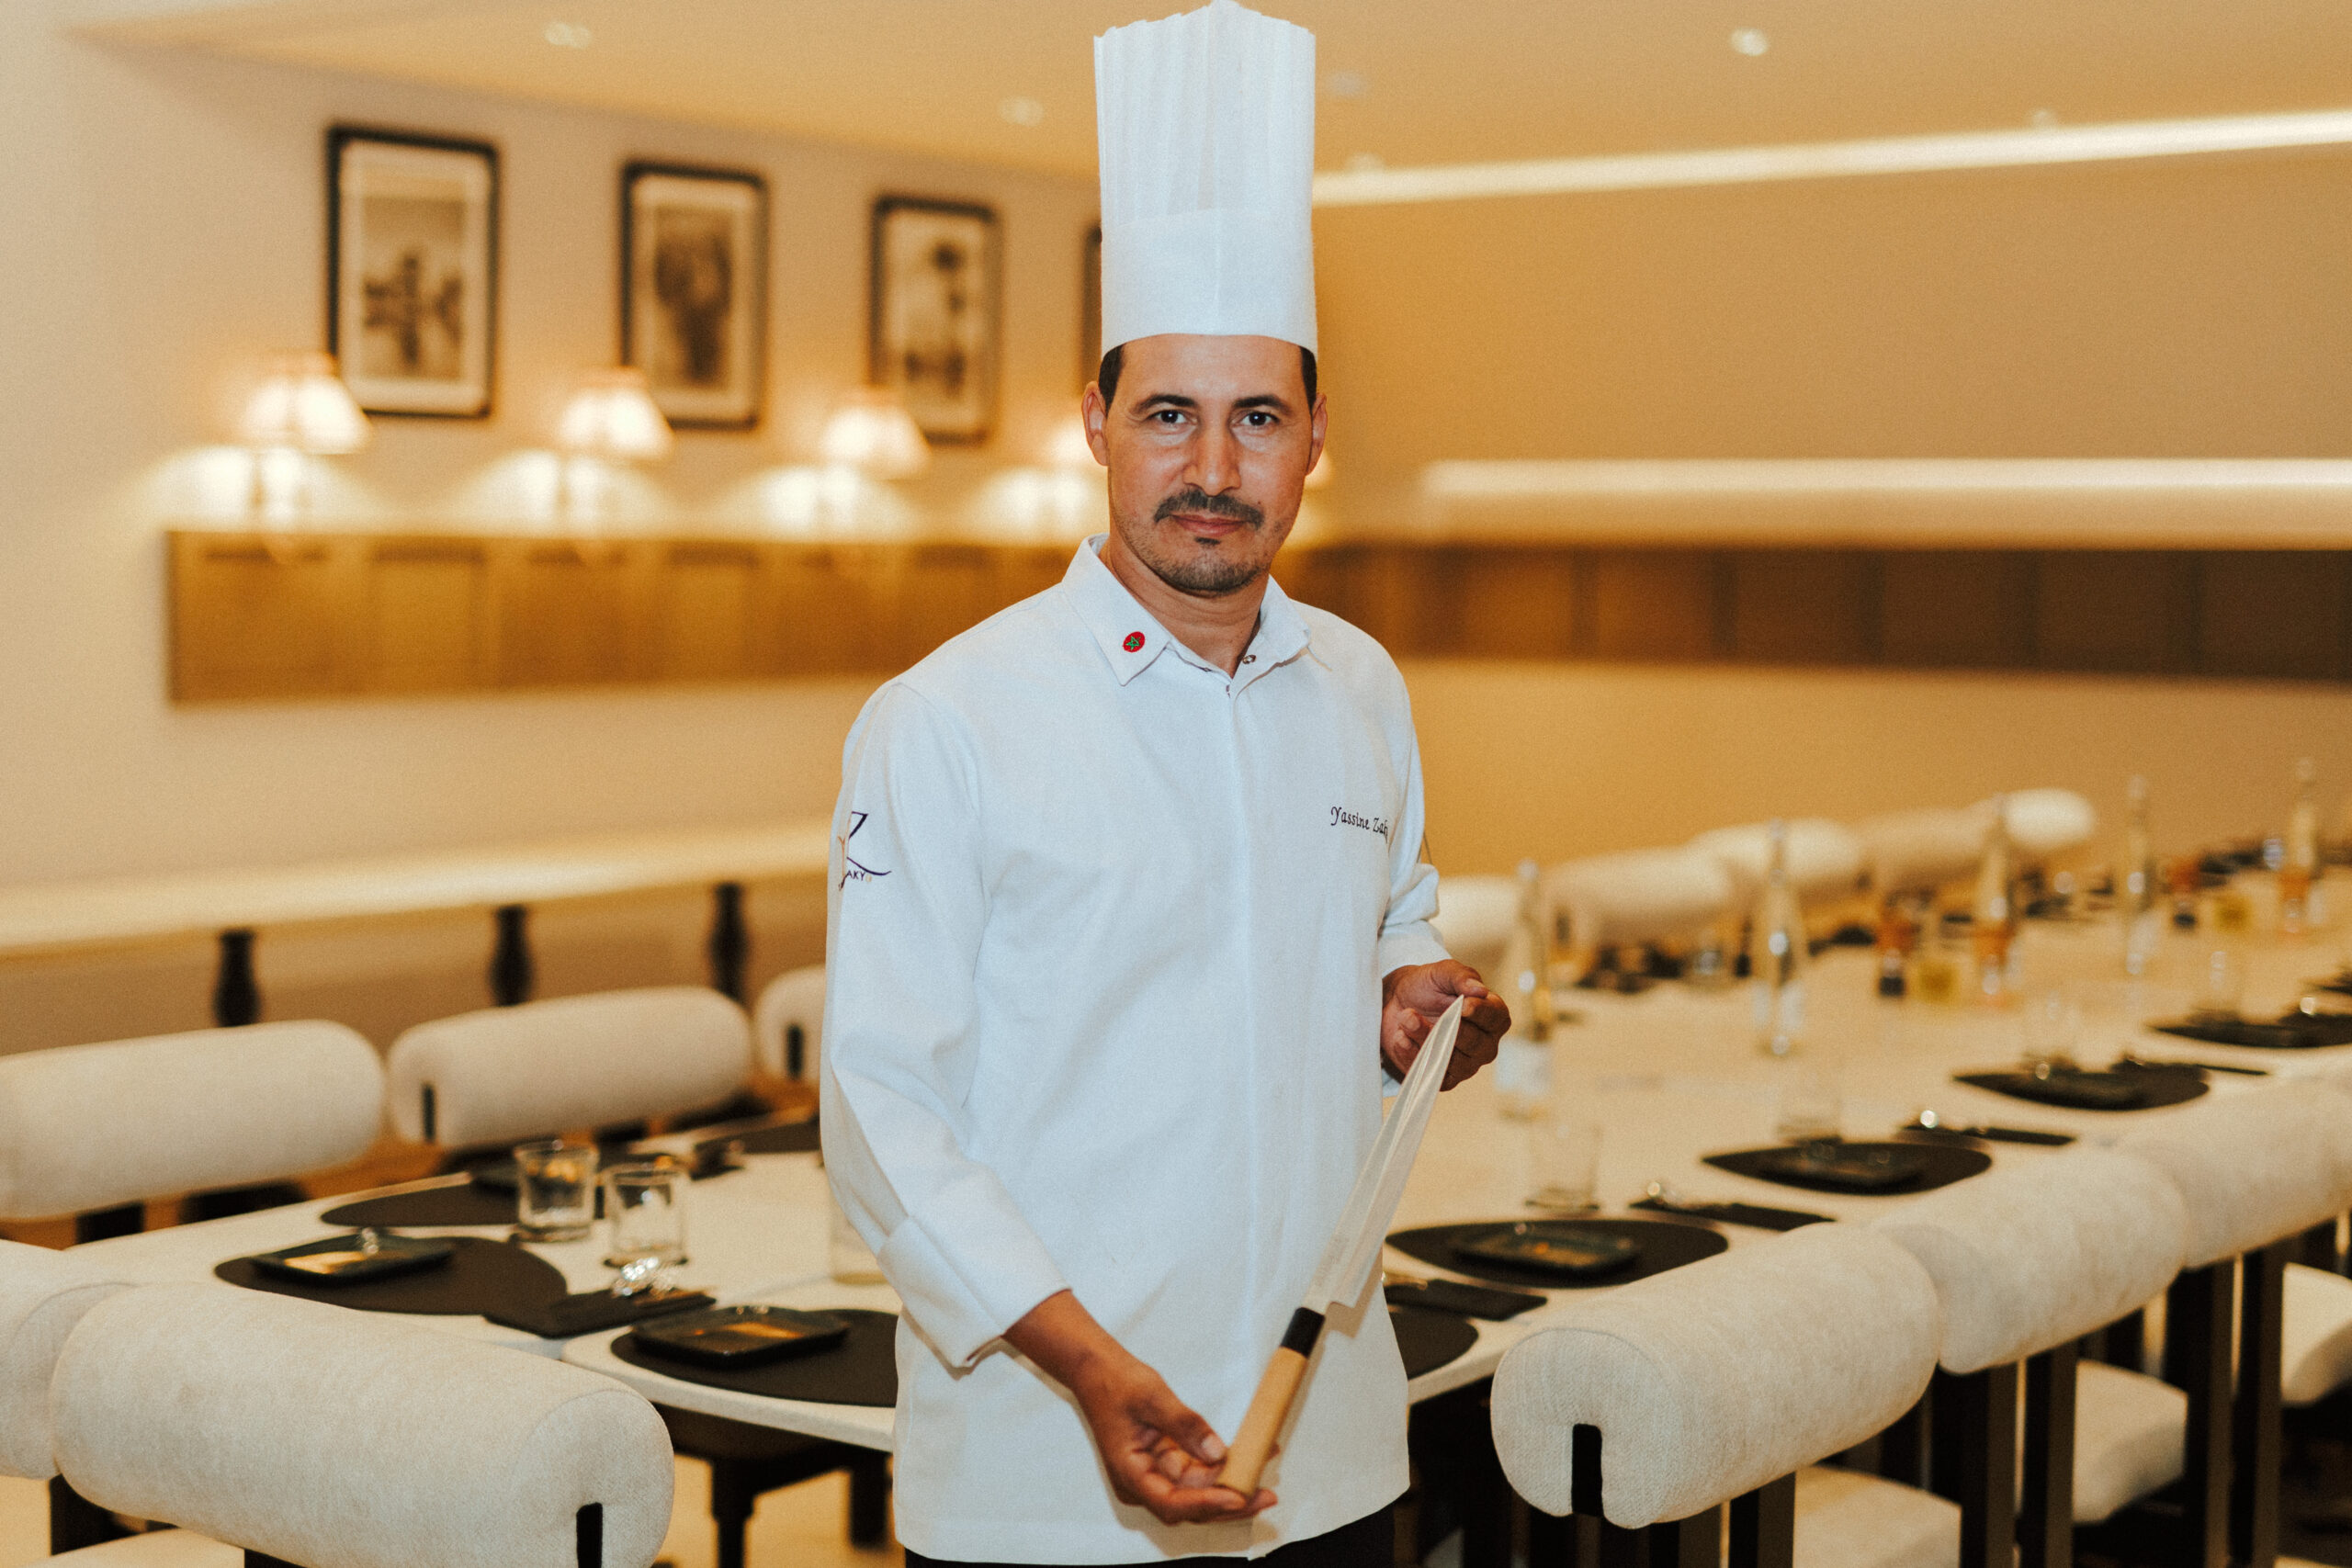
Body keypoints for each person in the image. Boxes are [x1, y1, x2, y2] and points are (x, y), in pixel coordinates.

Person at [820, 4, 1510, 1562]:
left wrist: (1416, 1004)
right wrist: (1086, 1363)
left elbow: (1390, 925)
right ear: (1096, 425)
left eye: (1258, 419)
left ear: (1315, 438)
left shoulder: (1360, 687)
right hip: (1044, 1474)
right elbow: (879, 1111)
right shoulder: (949, 718)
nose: (1212, 468)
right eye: (1168, 417)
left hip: (1330, 1450)